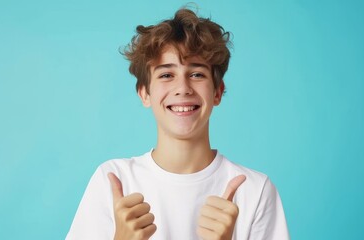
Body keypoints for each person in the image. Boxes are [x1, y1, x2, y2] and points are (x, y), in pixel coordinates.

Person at [66, 8, 290, 240]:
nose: (183, 88)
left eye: (197, 74)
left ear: (218, 92)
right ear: (144, 93)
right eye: (166, 75)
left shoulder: (255, 190)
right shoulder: (113, 180)